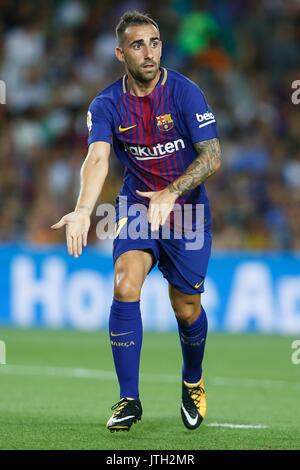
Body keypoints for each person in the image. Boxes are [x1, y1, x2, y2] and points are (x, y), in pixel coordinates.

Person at [52, 10, 221, 432]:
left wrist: (173, 191)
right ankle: (129, 399)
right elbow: (97, 158)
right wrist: (83, 210)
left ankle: (192, 378)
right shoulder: (106, 104)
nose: (149, 52)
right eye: (138, 45)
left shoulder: (185, 93)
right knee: (125, 282)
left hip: (188, 213)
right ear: (119, 53)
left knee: (186, 309)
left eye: (155, 43)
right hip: (137, 208)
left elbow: (213, 156)